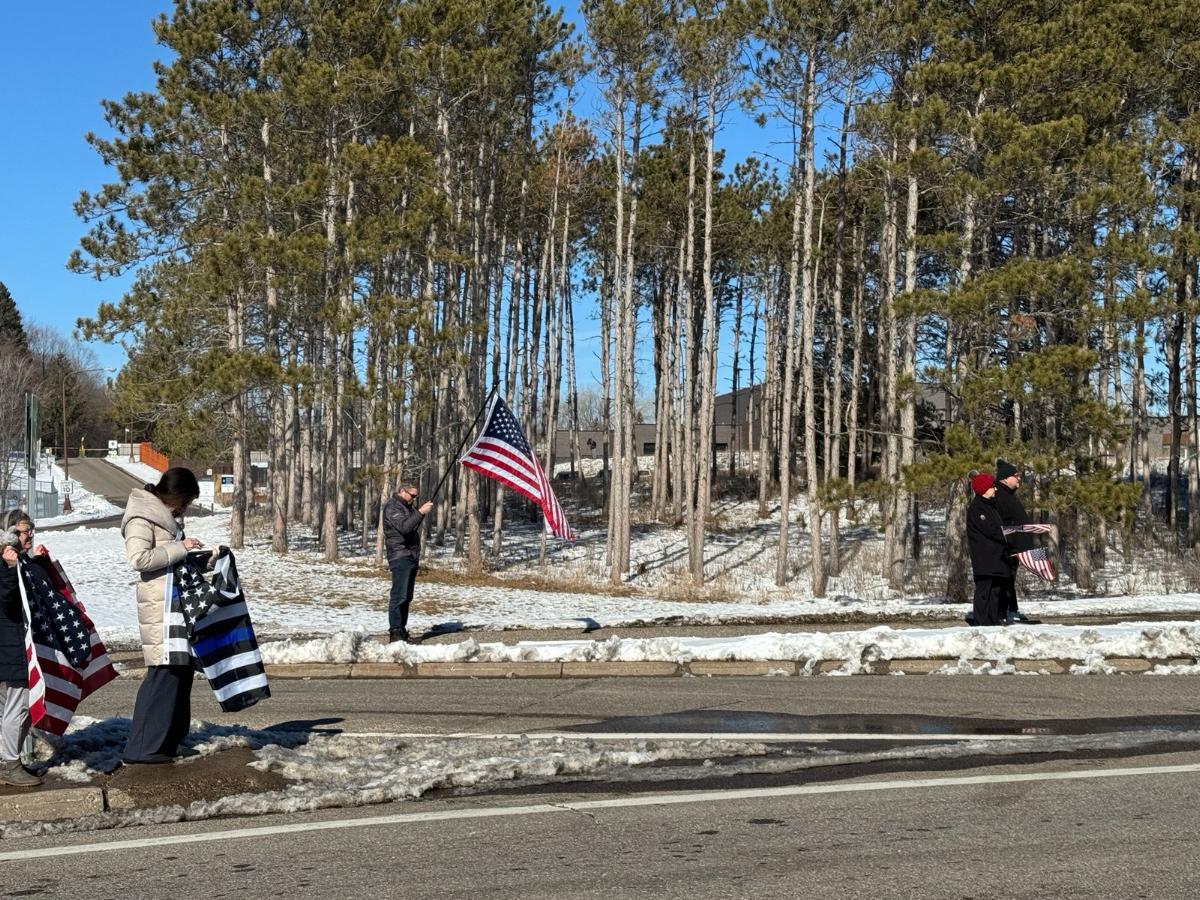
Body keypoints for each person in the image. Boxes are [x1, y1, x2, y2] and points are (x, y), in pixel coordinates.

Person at [121, 467, 207, 764]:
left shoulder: (165, 516)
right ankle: (143, 747)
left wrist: (197, 556)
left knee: (181, 673)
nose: (186, 509)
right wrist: (180, 547)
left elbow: (171, 556)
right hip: (158, 607)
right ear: (176, 497)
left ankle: (171, 740)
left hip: (176, 607)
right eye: (186, 502)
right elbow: (139, 559)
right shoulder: (141, 516)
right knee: (163, 675)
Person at [0, 510, 47, 787]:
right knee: (20, 706)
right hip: (11, 646)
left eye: (30, 529)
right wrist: (9, 569)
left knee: (15, 708)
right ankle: (10, 764)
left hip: (19, 643)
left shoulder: (22, 561)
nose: (27, 535)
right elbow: (7, 600)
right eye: (21, 531)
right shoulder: (6, 563)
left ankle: (8, 760)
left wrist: (41, 563)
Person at [382, 483, 433, 643]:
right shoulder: (392, 507)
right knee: (399, 595)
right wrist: (420, 512)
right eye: (412, 495)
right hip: (400, 556)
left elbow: (412, 525)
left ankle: (402, 631)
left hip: (410, 555)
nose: (414, 499)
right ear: (402, 491)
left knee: (407, 596)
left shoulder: (406, 507)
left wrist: (418, 513)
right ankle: (395, 632)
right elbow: (404, 528)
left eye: (416, 496)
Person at [966, 473, 1011, 627]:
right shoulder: (977, 509)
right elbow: (993, 530)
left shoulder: (990, 506)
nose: (995, 489)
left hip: (996, 558)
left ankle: (992, 622)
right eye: (992, 486)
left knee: (995, 592)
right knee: (984, 592)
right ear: (984, 489)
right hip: (984, 559)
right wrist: (1009, 534)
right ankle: (981, 623)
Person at [993, 458, 1033, 624]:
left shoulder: (1007, 495)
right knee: (1005, 580)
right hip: (1008, 547)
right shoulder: (1000, 496)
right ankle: (1002, 612)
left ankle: (1011, 609)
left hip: (1015, 547)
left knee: (1010, 580)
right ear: (1005, 478)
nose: (1019, 478)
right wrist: (1009, 542)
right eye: (1015, 475)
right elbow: (1000, 522)